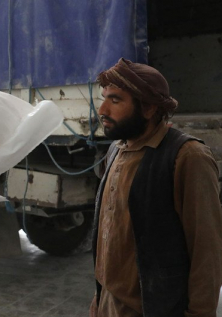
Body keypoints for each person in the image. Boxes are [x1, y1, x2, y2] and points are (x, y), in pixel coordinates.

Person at [90, 58, 222, 317]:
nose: (102, 109)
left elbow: (206, 251)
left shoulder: (187, 157)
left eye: (115, 100)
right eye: (103, 98)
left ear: (149, 108)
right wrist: (98, 299)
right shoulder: (115, 150)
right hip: (108, 305)